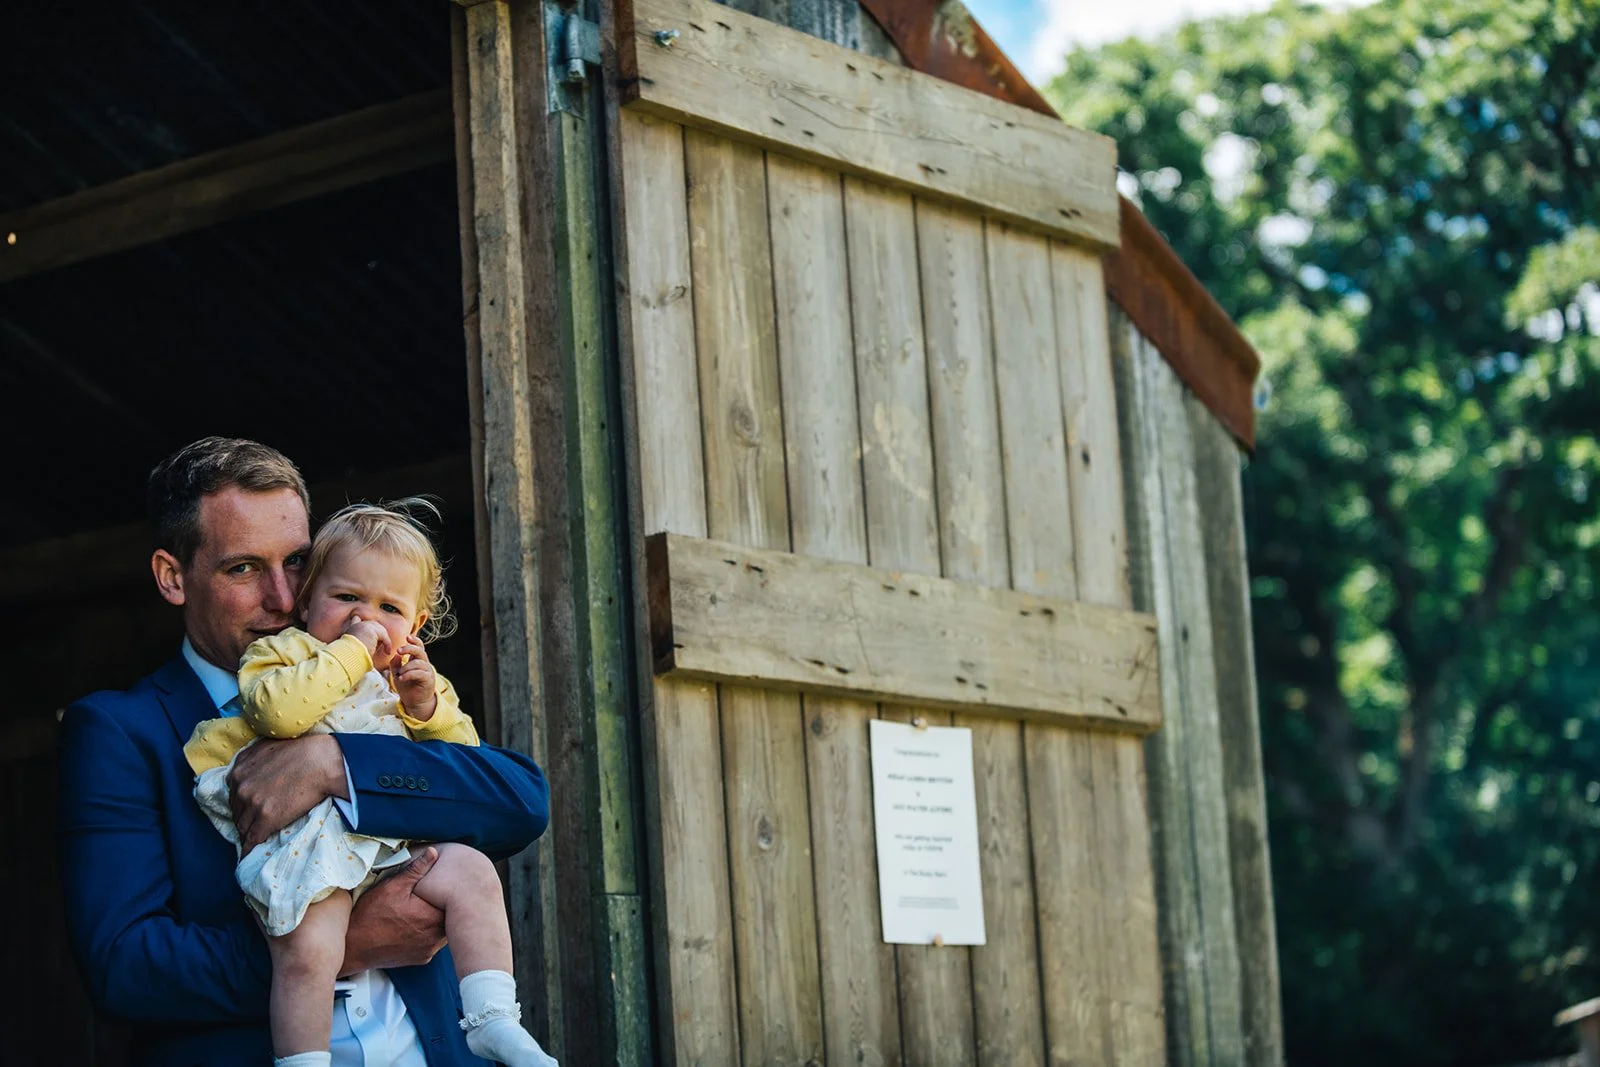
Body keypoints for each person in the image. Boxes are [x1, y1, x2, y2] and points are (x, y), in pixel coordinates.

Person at [57, 437, 551, 1066]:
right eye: (243, 568)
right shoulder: (120, 730)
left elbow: (521, 801)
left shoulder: (386, 687)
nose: (286, 599)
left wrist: (333, 766)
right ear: (173, 578)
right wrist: (343, 944)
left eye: (296, 561)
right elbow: (123, 969)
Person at [184, 500, 555, 1067]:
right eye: (347, 598)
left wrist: (427, 709)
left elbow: (466, 775)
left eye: (389, 607)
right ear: (307, 600)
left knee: (475, 875)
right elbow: (277, 715)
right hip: (314, 848)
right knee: (310, 950)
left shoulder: (411, 683)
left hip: (388, 850)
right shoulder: (285, 652)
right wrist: (351, 654)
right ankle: (304, 1060)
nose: (367, 619)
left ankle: (492, 1016)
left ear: (417, 624)